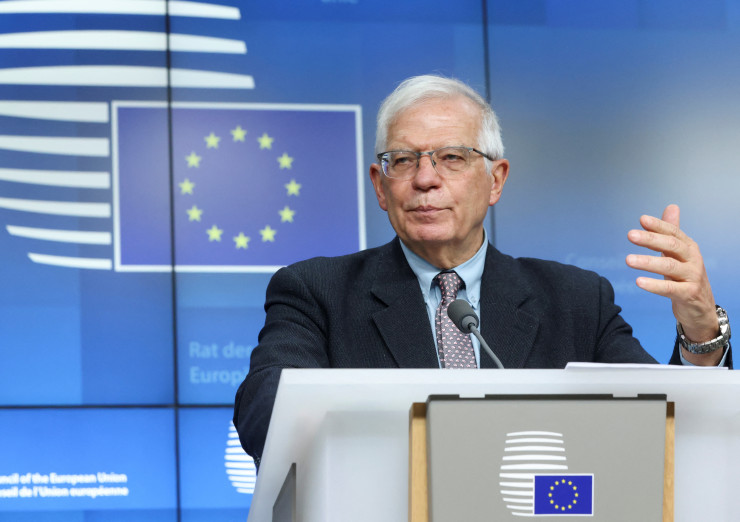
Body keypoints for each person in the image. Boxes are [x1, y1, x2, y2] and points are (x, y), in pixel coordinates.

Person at [234, 74, 732, 467]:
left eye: (451, 157)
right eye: (402, 160)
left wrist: (701, 332)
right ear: (380, 186)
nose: (425, 179)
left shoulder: (577, 299)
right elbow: (264, 416)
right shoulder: (316, 292)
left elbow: (667, 426)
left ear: (496, 180)